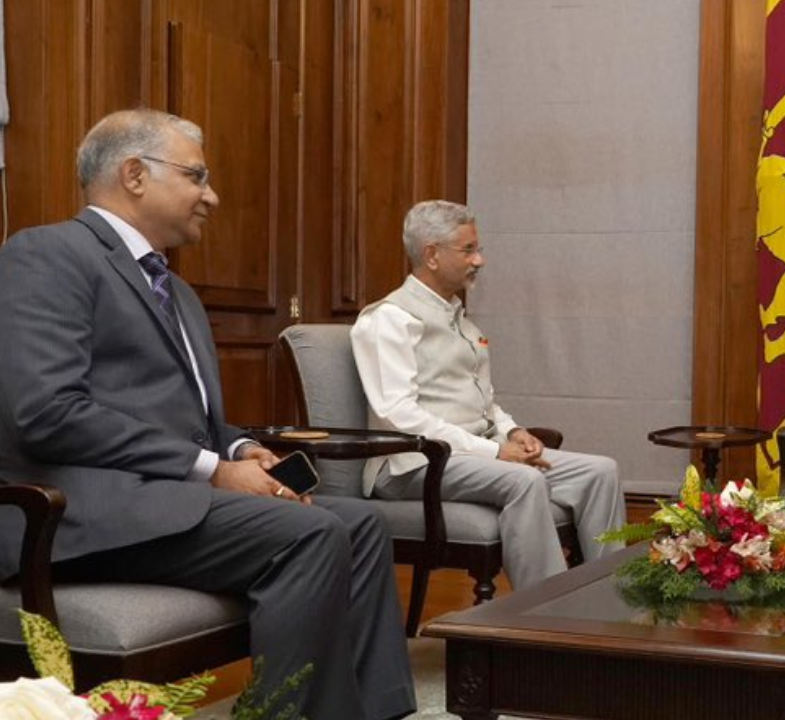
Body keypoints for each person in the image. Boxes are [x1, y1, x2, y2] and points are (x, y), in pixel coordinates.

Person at [0, 110, 414, 719]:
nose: (211, 195)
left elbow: (190, 421)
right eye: (196, 176)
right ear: (135, 173)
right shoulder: (47, 254)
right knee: (312, 534)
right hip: (81, 513)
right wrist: (210, 469)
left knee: (364, 524)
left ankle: (378, 712)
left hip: (163, 499)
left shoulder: (176, 289)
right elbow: (48, 411)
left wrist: (240, 450)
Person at [350, 199, 626, 590]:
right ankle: (546, 623)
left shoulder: (461, 319)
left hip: (473, 453)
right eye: (468, 249)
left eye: (478, 249)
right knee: (523, 480)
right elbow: (398, 414)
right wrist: (496, 452)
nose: (479, 260)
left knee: (600, 472)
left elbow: (484, 400)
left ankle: (605, 604)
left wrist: (512, 432)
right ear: (431, 254)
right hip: (411, 465)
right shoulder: (388, 320)